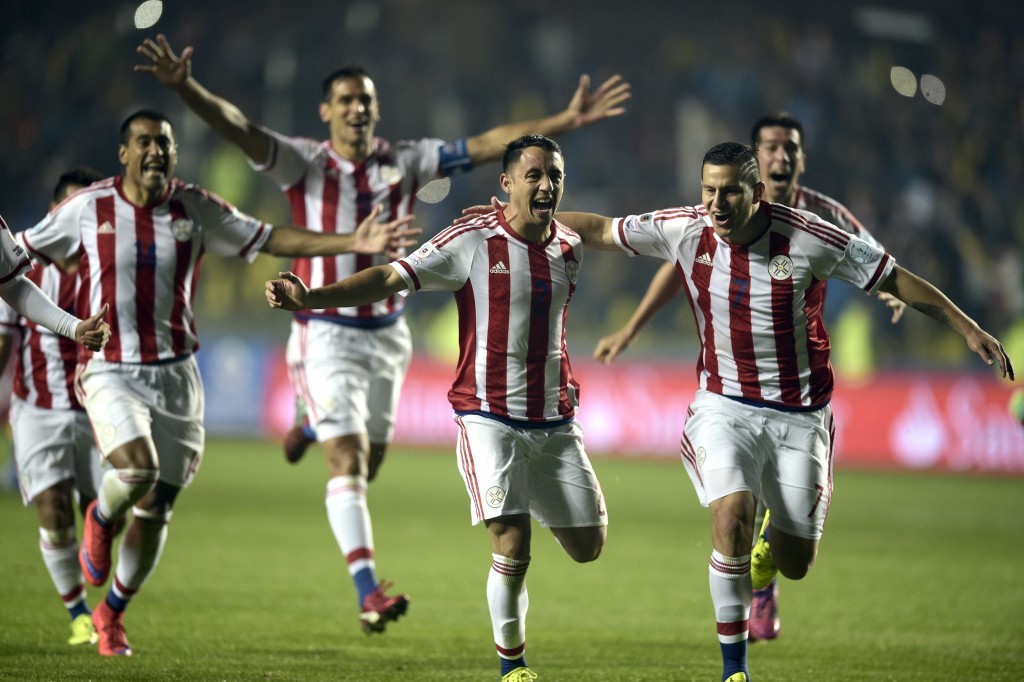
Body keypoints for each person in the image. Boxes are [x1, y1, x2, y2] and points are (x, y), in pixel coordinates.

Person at [136, 33, 630, 633]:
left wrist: (562, 120)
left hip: (386, 335)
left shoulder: (406, 160)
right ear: (326, 111)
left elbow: (485, 147)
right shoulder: (305, 161)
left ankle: (314, 419)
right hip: (323, 325)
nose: (357, 108)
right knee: (347, 461)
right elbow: (240, 128)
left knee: (365, 465)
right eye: (344, 100)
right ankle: (368, 589)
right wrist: (185, 86)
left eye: (365, 99)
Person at [536, 141, 1012, 682]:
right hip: (724, 407)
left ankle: (774, 548)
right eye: (708, 190)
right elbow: (598, 230)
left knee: (795, 561)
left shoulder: (810, 236)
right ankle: (734, 671)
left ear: (757, 192)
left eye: (729, 191)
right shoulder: (684, 228)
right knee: (732, 512)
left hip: (801, 417)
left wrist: (968, 327)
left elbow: (894, 276)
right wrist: (512, 223)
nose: (715, 202)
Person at [15, 109, 420, 657]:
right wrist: (66, 324)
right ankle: (103, 515)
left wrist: (352, 237)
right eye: (144, 142)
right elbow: (16, 263)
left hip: (179, 375)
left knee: (158, 510)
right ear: (124, 154)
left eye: (165, 142)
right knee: (137, 469)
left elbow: (272, 238)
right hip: (113, 368)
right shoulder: (87, 208)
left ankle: (111, 612)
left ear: (175, 153)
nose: (156, 150)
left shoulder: (194, 207)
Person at [266, 135, 623, 682]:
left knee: (589, 545)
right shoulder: (471, 240)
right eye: (534, 176)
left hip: (554, 420)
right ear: (506, 184)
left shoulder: (568, 245)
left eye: (555, 175)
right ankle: (513, 666)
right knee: (513, 543)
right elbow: (391, 276)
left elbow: (584, 244)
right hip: (487, 415)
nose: (547, 185)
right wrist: (311, 298)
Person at [591, 112, 907, 641]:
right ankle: (754, 600)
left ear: (801, 159)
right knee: (738, 497)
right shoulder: (716, 215)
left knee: (790, 537)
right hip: (733, 386)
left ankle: (770, 560)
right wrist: (632, 327)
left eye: (791, 147)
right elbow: (681, 261)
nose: (781, 155)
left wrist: (891, 289)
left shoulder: (824, 216)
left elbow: (878, 261)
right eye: (771, 146)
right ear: (756, 159)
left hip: (798, 373)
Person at [0, 168, 109, 648]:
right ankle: (78, 615)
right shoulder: (31, 256)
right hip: (38, 409)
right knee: (51, 505)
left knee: (102, 510)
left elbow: (13, 292)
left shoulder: (109, 273)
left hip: (96, 407)